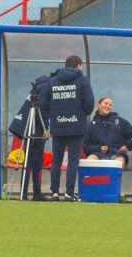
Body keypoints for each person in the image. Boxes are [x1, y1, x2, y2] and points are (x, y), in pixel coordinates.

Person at [38, 54, 94, 202]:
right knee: (73, 160)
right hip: (76, 126)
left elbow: (43, 104)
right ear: (79, 66)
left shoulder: (52, 81)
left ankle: (54, 193)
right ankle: (69, 193)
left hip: (58, 125)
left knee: (56, 160)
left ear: (66, 65)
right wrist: (83, 113)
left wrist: (48, 122)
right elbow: (89, 103)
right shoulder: (82, 80)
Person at [83, 96, 132, 167]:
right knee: (89, 162)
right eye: (106, 103)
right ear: (99, 105)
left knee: (117, 164)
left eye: (110, 105)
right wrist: (99, 148)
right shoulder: (90, 125)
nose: (108, 106)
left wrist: (127, 146)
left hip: (117, 154)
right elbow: (86, 147)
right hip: (97, 154)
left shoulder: (120, 122)